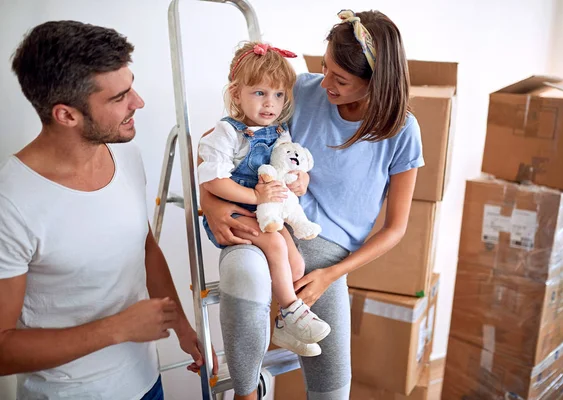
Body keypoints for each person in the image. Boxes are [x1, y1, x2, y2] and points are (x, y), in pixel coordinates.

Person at [200, 9, 423, 400]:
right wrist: (210, 203)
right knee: (244, 274)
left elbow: (395, 228)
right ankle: (246, 394)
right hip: (266, 222)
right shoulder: (301, 89)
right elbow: (216, 144)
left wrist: (334, 273)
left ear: (376, 82)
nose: (326, 84)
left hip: (326, 251)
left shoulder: (401, 130)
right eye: (326, 67)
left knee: (333, 386)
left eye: (340, 79)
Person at [0, 20, 216, 399]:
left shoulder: (125, 156)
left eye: (130, 87)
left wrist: (182, 326)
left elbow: (144, 247)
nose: (139, 103)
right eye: (119, 97)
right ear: (66, 115)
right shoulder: (10, 203)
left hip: (147, 382)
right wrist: (117, 329)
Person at [197, 42, 329, 358]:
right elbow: (213, 180)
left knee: (296, 260)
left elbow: (290, 163)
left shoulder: (279, 133)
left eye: (278, 95)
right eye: (260, 93)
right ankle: (292, 309)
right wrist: (254, 195)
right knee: (274, 245)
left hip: (266, 211)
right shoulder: (227, 132)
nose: (270, 103)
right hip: (234, 211)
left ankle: (284, 326)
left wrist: (298, 180)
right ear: (236, 93)